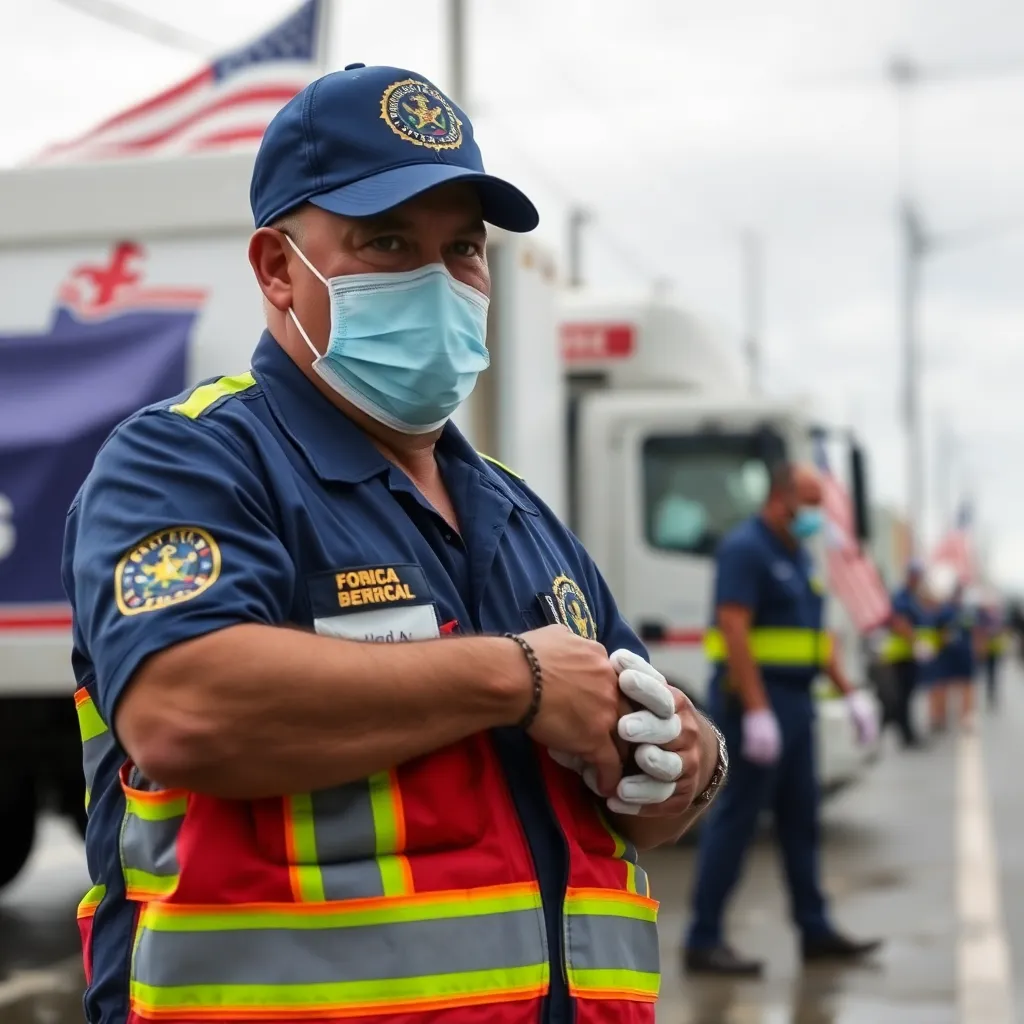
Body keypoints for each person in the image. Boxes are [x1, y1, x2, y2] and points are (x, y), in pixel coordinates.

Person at [63, 65, 729, 1024]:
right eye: (387, 242)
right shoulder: (190, 460)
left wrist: (684, 764)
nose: (439, 282)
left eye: (462, 249)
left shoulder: (516, 512)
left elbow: (636, 779)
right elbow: (185, 709)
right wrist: (517, 679)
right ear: (278, 268)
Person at [683, 463, 882, 975]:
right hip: (757, 703)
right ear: (780, 498)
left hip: (797, 703)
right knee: (738, 820)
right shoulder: (745, 549)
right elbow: (733, 628)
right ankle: (703, 938)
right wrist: (757, 711)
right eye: (810, 502)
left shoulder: (797, 553)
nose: (817, 513)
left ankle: (815, 930)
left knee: (801, 820)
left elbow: (814, 639)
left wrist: (851, 694)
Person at [881, 559, 928, 749]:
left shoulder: (913, 596)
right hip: (901, 655)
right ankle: (905, 735)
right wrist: (916, 642)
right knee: (902, 696)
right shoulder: (902, 596)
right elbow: (899, 622)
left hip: (909, 654)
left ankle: (908, 733)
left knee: (908, 696)